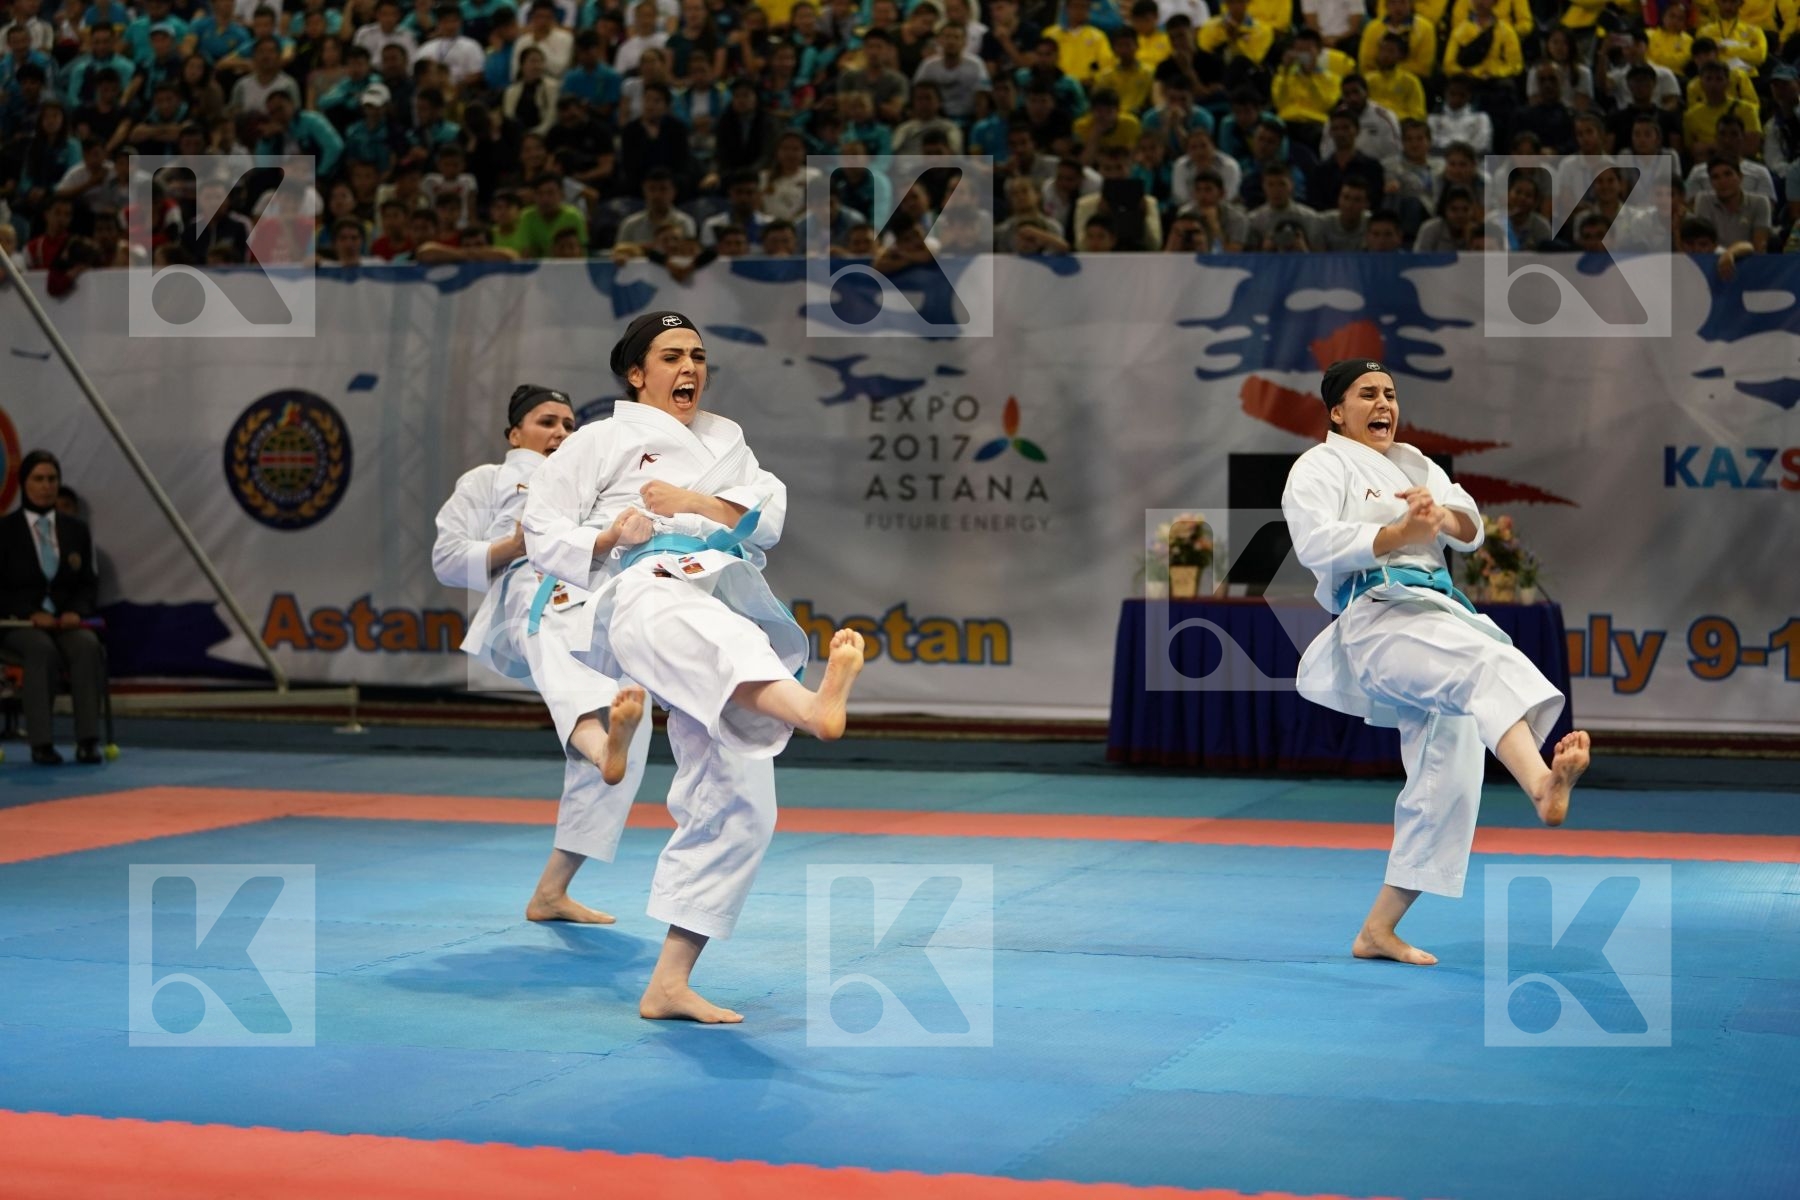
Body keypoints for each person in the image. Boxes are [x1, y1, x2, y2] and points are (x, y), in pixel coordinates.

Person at [522, 311, 867, 1023]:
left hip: (716, 588)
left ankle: (669, 984)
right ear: (636, 373)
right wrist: (608, 536)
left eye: (699, 356)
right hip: (641, 591)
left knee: (743, 801)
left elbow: (767, 513)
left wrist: (692, 502)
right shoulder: (600, 439)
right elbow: (542, 525)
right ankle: (810, 708)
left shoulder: (727, 439)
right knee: (710, 632)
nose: (690, 367)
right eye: (672, 355)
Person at [1282, 361, 1590, 966]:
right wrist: (1398, 535)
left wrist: (1439, 517)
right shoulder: (1319, 466)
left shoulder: (1417, 464)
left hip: (1437, 612)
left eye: (1391, 394)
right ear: (1337, 412)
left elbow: (1470, 528)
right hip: (1378, 618)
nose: (1384, 404)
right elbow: (1314, 542)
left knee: (1447, 778)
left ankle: (1377, 931)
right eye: (1367, 394)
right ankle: (1540, 785)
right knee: (1485, 661)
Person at [433, 385, 653, 924]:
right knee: (555, 641)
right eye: (546, 422)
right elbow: (446, 558)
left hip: (594, 594)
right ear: (515, 434)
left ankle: (552, 892)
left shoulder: (589, 477)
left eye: (569, 425)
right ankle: (601, 749)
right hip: (528, 591)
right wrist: (512, 544)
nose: (560, 433)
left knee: (630, 711)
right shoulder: (488, 480)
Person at [0, 450, 105, 766]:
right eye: (39, 479)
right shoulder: (4, 531)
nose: (46, 486)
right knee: (41, 650)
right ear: (24, 484)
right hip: (18, 624)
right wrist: (30, 613)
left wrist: (77, 611)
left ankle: (88, 740)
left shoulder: (76, 530)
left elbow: (88, 583)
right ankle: (41, 743)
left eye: (52, 479)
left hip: (64, 622)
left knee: (87, 645)